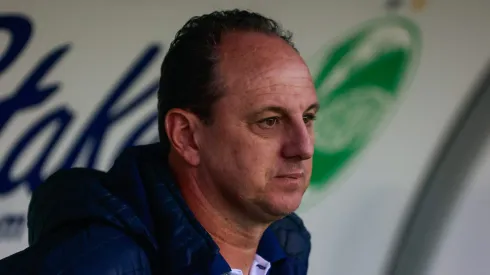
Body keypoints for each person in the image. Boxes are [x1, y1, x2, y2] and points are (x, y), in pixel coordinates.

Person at [0, 9, 317, 275]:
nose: (303, 148)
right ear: (187, 137)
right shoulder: (98, 263)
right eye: (269, 121)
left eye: (307, 118)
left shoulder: (287, 243)